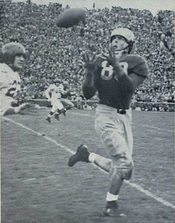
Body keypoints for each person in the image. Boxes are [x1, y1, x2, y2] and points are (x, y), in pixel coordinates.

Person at [68, 28, 149, 217]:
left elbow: (129, 88)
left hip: (124, 115)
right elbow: (87, 93)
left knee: (125, 170)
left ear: (129, 44)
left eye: (121, 39)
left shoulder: (137, 62)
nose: (116, 42)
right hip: (105, 113)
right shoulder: (98, 60)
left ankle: (87, 155)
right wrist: (89, 73)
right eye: (114, 39)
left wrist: (117, 65)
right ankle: (110, 205)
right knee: (124, 164)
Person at [0, 42, 29, 116]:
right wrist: (15, 110)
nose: (22, 59)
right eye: (18, 56)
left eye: (23, 56)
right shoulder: (1, 72)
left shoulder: (15, 74)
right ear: (9, 56)